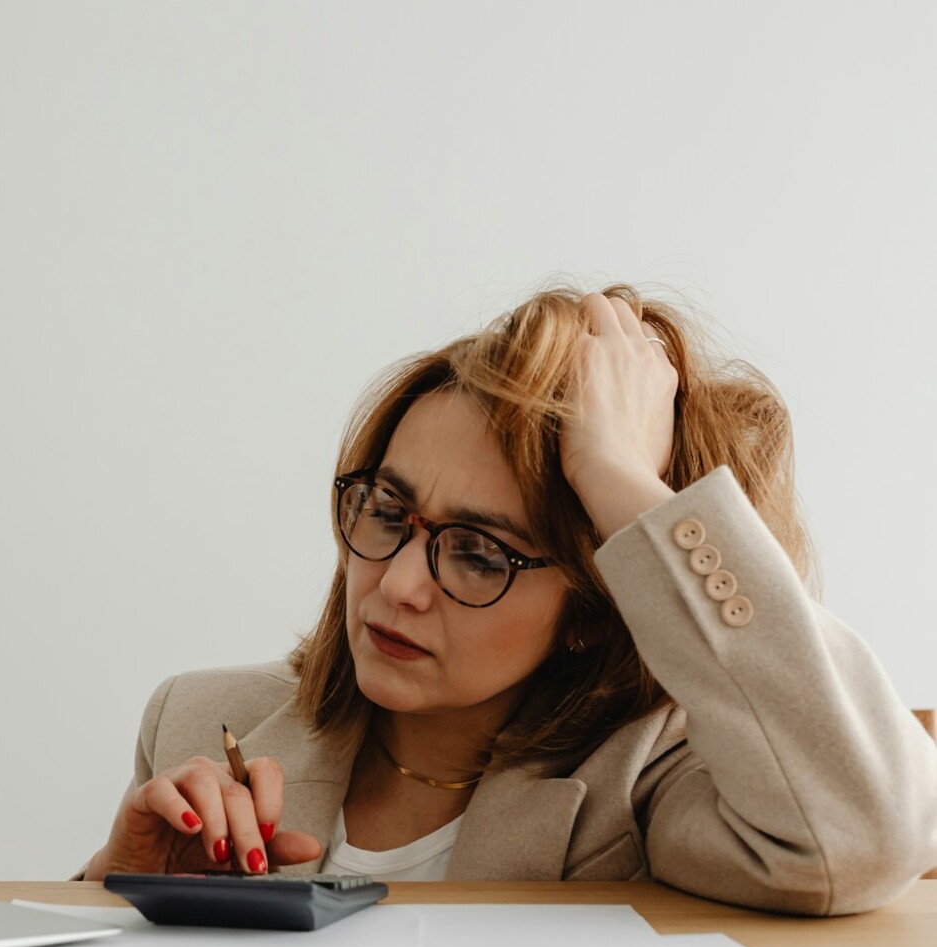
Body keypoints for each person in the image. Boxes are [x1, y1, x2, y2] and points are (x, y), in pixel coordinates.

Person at [80, 284, 937, 914]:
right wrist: (114, 881)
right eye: (387, 511)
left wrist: (625, 482)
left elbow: (864, 838)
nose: (402, 585)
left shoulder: (645, 781)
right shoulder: (195, 722)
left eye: (480, 554)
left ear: (593, 608)